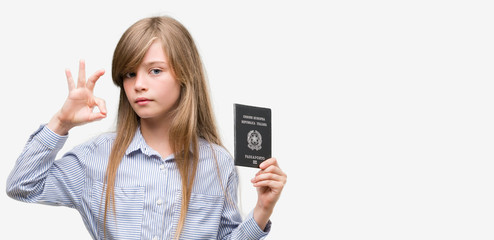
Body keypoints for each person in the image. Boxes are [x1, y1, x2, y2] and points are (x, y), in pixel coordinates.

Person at [6, 16, 286, 240]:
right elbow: (22, 186)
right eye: (130, 73)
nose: (139, 84)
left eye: (155, 70)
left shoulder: (217, 162)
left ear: (185, 75)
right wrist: (61, 122)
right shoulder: (96, 157)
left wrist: (262, 210)